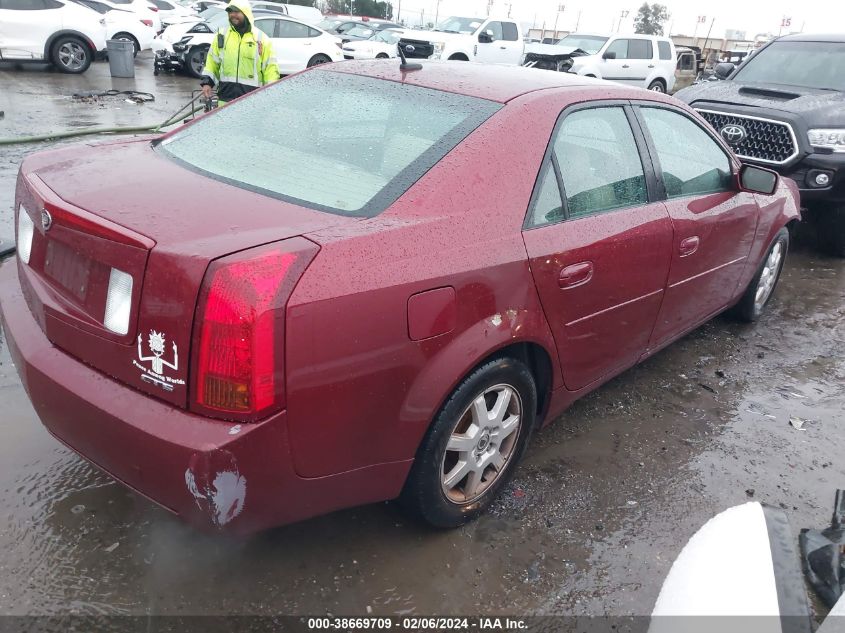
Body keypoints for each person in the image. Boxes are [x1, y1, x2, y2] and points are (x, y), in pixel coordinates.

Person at [200, 0, 280, 105]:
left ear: (245, 13)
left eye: (236, 12)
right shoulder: (222, 36)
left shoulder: (261, 39)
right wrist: (207, 83)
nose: (232, 15)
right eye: (230, 12)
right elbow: (212, 63)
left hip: (252, 102)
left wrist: (271, 94)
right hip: (225, 100)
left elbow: (270, 69)